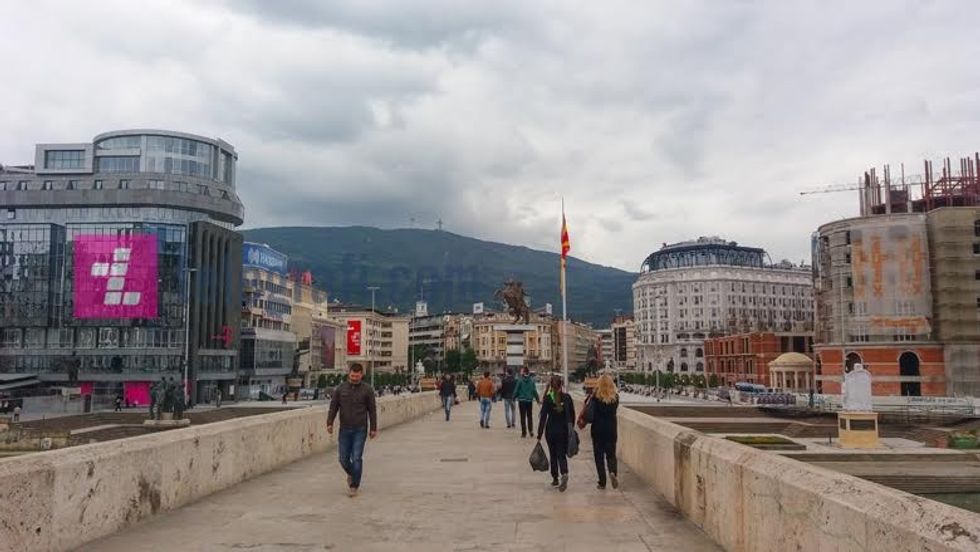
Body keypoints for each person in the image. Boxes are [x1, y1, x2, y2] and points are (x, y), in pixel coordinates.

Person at [327, 364, 378, 497]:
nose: (355, 378)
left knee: (356, 457)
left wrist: (373, 428)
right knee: (343, 459)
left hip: (360, 428)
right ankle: (352, 473)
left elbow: (372, 410)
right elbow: (333, 407)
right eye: (353, 375)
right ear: (349, 373)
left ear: (361, 374)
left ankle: (354, 485)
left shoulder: (367, 390)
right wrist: (329, 423)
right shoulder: (341, 389)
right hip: (344, 428)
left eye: (357, 376)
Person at [537, 376, 574, 492]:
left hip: (551, 431)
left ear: (551, 386)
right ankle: (564, 472)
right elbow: (572, 415)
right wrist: (571, 428)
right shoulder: (567, 398)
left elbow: (543, 417)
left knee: (553, 455)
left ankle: (555, 478)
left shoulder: (548, 399)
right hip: (563, 431)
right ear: (561, 385)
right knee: (561, 454)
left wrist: (539, 434)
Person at [583, 374, 619, 490]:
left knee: (599, 457)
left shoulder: (595, 397)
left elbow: (588, 410)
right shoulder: (615, 398)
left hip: (598, 430)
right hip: (611, 430)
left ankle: (602, 482)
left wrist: (592, 394)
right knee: (611, 455)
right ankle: (612, 472)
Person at [514, 367, 540, 438]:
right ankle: (531, 431)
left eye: (522, 371)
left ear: (524, 372)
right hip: (529, 401)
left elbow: (516, 390)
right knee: (529, 416)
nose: (521, 372)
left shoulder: (520, 380)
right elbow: (534, 391)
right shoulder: (532, 381)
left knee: (522, 417)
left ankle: (524, 433)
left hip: (522, 401)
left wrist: (513, 397)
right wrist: (537, 399)